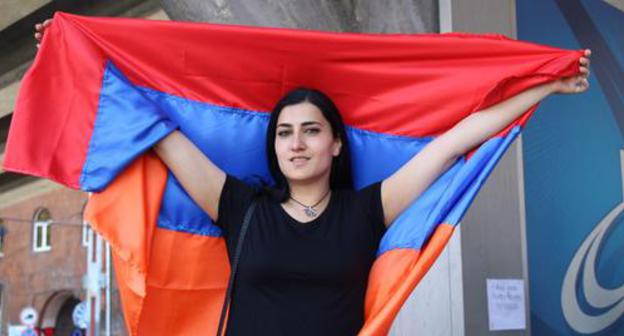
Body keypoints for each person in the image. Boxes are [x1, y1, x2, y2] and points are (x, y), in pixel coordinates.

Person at [35, 19, 591, 335]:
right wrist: (75, 58)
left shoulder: (367, 210)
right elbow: (155, 129)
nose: (295, 143)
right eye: (283, 133)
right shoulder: (240, 207)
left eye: (310, 130)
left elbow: (453, 143)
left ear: (336, 143)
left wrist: (544, 86)